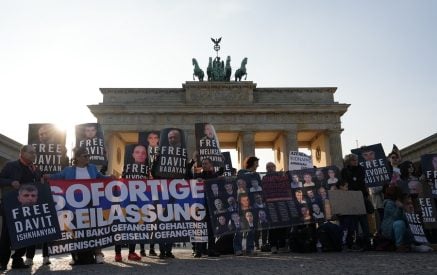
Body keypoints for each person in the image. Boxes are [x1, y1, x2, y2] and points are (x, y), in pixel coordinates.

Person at [46, 146, 111, 264]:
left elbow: (101, 178)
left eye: (88, 156)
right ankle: (75, 256)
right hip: (74, 208)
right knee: (75, 232)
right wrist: (47, 176)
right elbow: (56, 177)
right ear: (77, 157)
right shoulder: (68, 170)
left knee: (94, 230)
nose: (88, 158)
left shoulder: (92, 168)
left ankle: (98, 254)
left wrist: (111, 178)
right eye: (85, 156)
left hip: (91, 205)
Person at [0, 145, 43, 270]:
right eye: (31, 152)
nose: (34, 155)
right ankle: (2, 261)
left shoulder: (35, 169)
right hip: (12, 206)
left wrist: (42, 181)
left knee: (26, 233)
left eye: (35, 153)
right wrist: (10, 182)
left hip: (29, 207)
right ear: (22, 153)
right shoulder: (11, 165)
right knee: (7, 234)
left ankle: (17, 260)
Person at [341, 153, 371, 251]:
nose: (355, 161)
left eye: (356, 160)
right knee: (353, 222)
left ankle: (367, 242)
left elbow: (361, 182)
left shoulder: (361, 169)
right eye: (353, 160)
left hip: (361, 197)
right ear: (349, 161)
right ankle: (355, 242)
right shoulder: (344, 171)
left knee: (363, 221)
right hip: (350, 198)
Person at [192, 158, 221, 258]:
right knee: (199, 228)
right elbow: (189, 179)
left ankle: (211, 250)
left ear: (210, 165)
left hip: (211, 206)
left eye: (206, 163)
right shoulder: (198, 175)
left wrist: (221, 160)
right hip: (200, 206)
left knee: (211, 229)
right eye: (203, 163)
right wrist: (197, 180)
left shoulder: (214, 175)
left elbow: (221, 171)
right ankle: (198, 250)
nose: (204, 165)